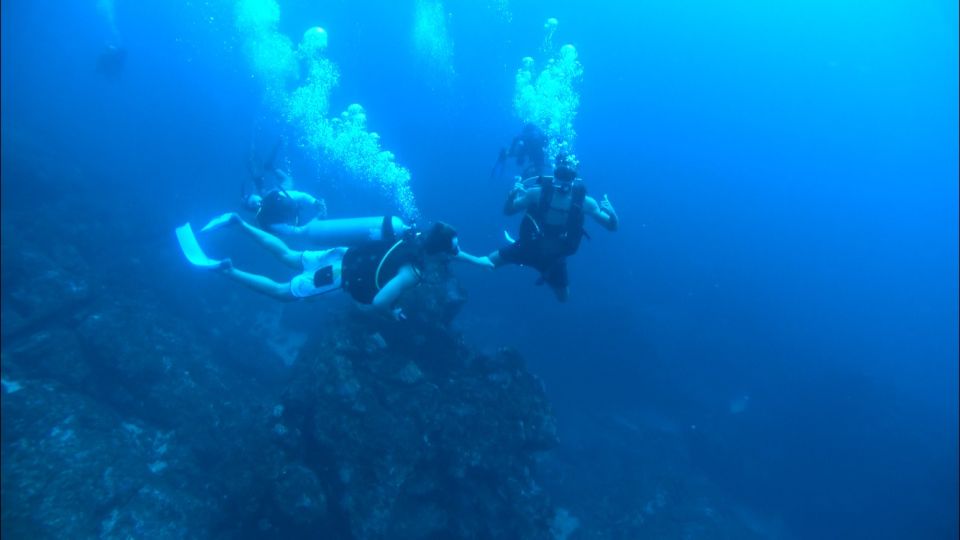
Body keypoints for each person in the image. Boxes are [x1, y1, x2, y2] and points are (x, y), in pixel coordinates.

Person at [200, 214, 493, 318]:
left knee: (289, 255)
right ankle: (228, 270)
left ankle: (238, 224)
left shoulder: (414, 234)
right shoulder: (412, 273)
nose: (453, 256)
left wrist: (477, 260)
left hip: (341, 254)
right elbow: (378, 302)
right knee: (281, 292)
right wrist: (392, 311)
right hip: (338, 276)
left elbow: (449, 252)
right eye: (451, 252)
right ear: (439, 253)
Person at [488, 153, 618, 302]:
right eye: (560, 176)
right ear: (554, 175)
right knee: (488, 263)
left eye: (568, 177)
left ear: (574, 179)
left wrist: (613, 215)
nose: (563, 182)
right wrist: (510, 198)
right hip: (529, 246)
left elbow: (611, 226)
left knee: (563, 298)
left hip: (554, 258)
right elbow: (509, 211)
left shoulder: (586, 202)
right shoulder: (536, 193)